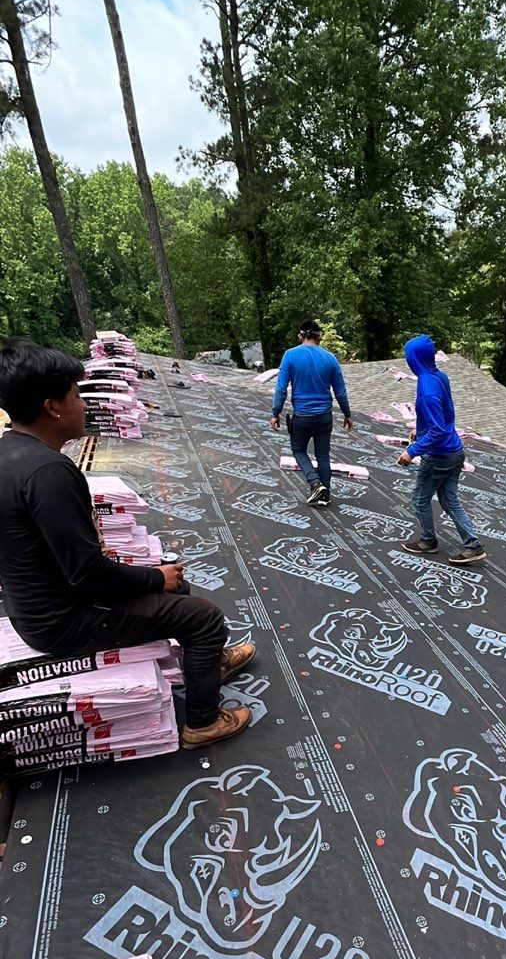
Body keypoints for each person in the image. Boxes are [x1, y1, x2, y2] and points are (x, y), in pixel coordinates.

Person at [0, 338, 255, 750]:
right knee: (204, 618)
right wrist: (154, 578)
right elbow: (87, 574)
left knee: (175, 584)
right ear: (52, 407)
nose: (83, 404)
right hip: (64, 621)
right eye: (76, 395)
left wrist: (156, 578)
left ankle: (208, 663)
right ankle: (203, 723)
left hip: (36, 609)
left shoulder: (9, 454)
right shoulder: (48, 472)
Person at [397, 335, 485, 564]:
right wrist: (420, 429)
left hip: (439, 455)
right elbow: (442, 417)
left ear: (414, 358)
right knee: (449, 500)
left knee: (419, 499)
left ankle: (428, 541)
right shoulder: (438, 376)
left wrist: (412, 450)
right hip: (455, 451)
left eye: (408, 356)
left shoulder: (426, 388)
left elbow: (437, 430)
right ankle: (473, 545)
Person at [270, 319, 353, 506]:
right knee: (323, 455)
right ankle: (326, 493)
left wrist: (276, 412)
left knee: (298, 450)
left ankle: (315, 484)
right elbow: (340, 392)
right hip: (325, 416)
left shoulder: (290, 355)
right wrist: (347, 414)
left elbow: (281, 389)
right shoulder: (330, 358)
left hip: (303, 416)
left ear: (300, 336)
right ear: (319, 337)